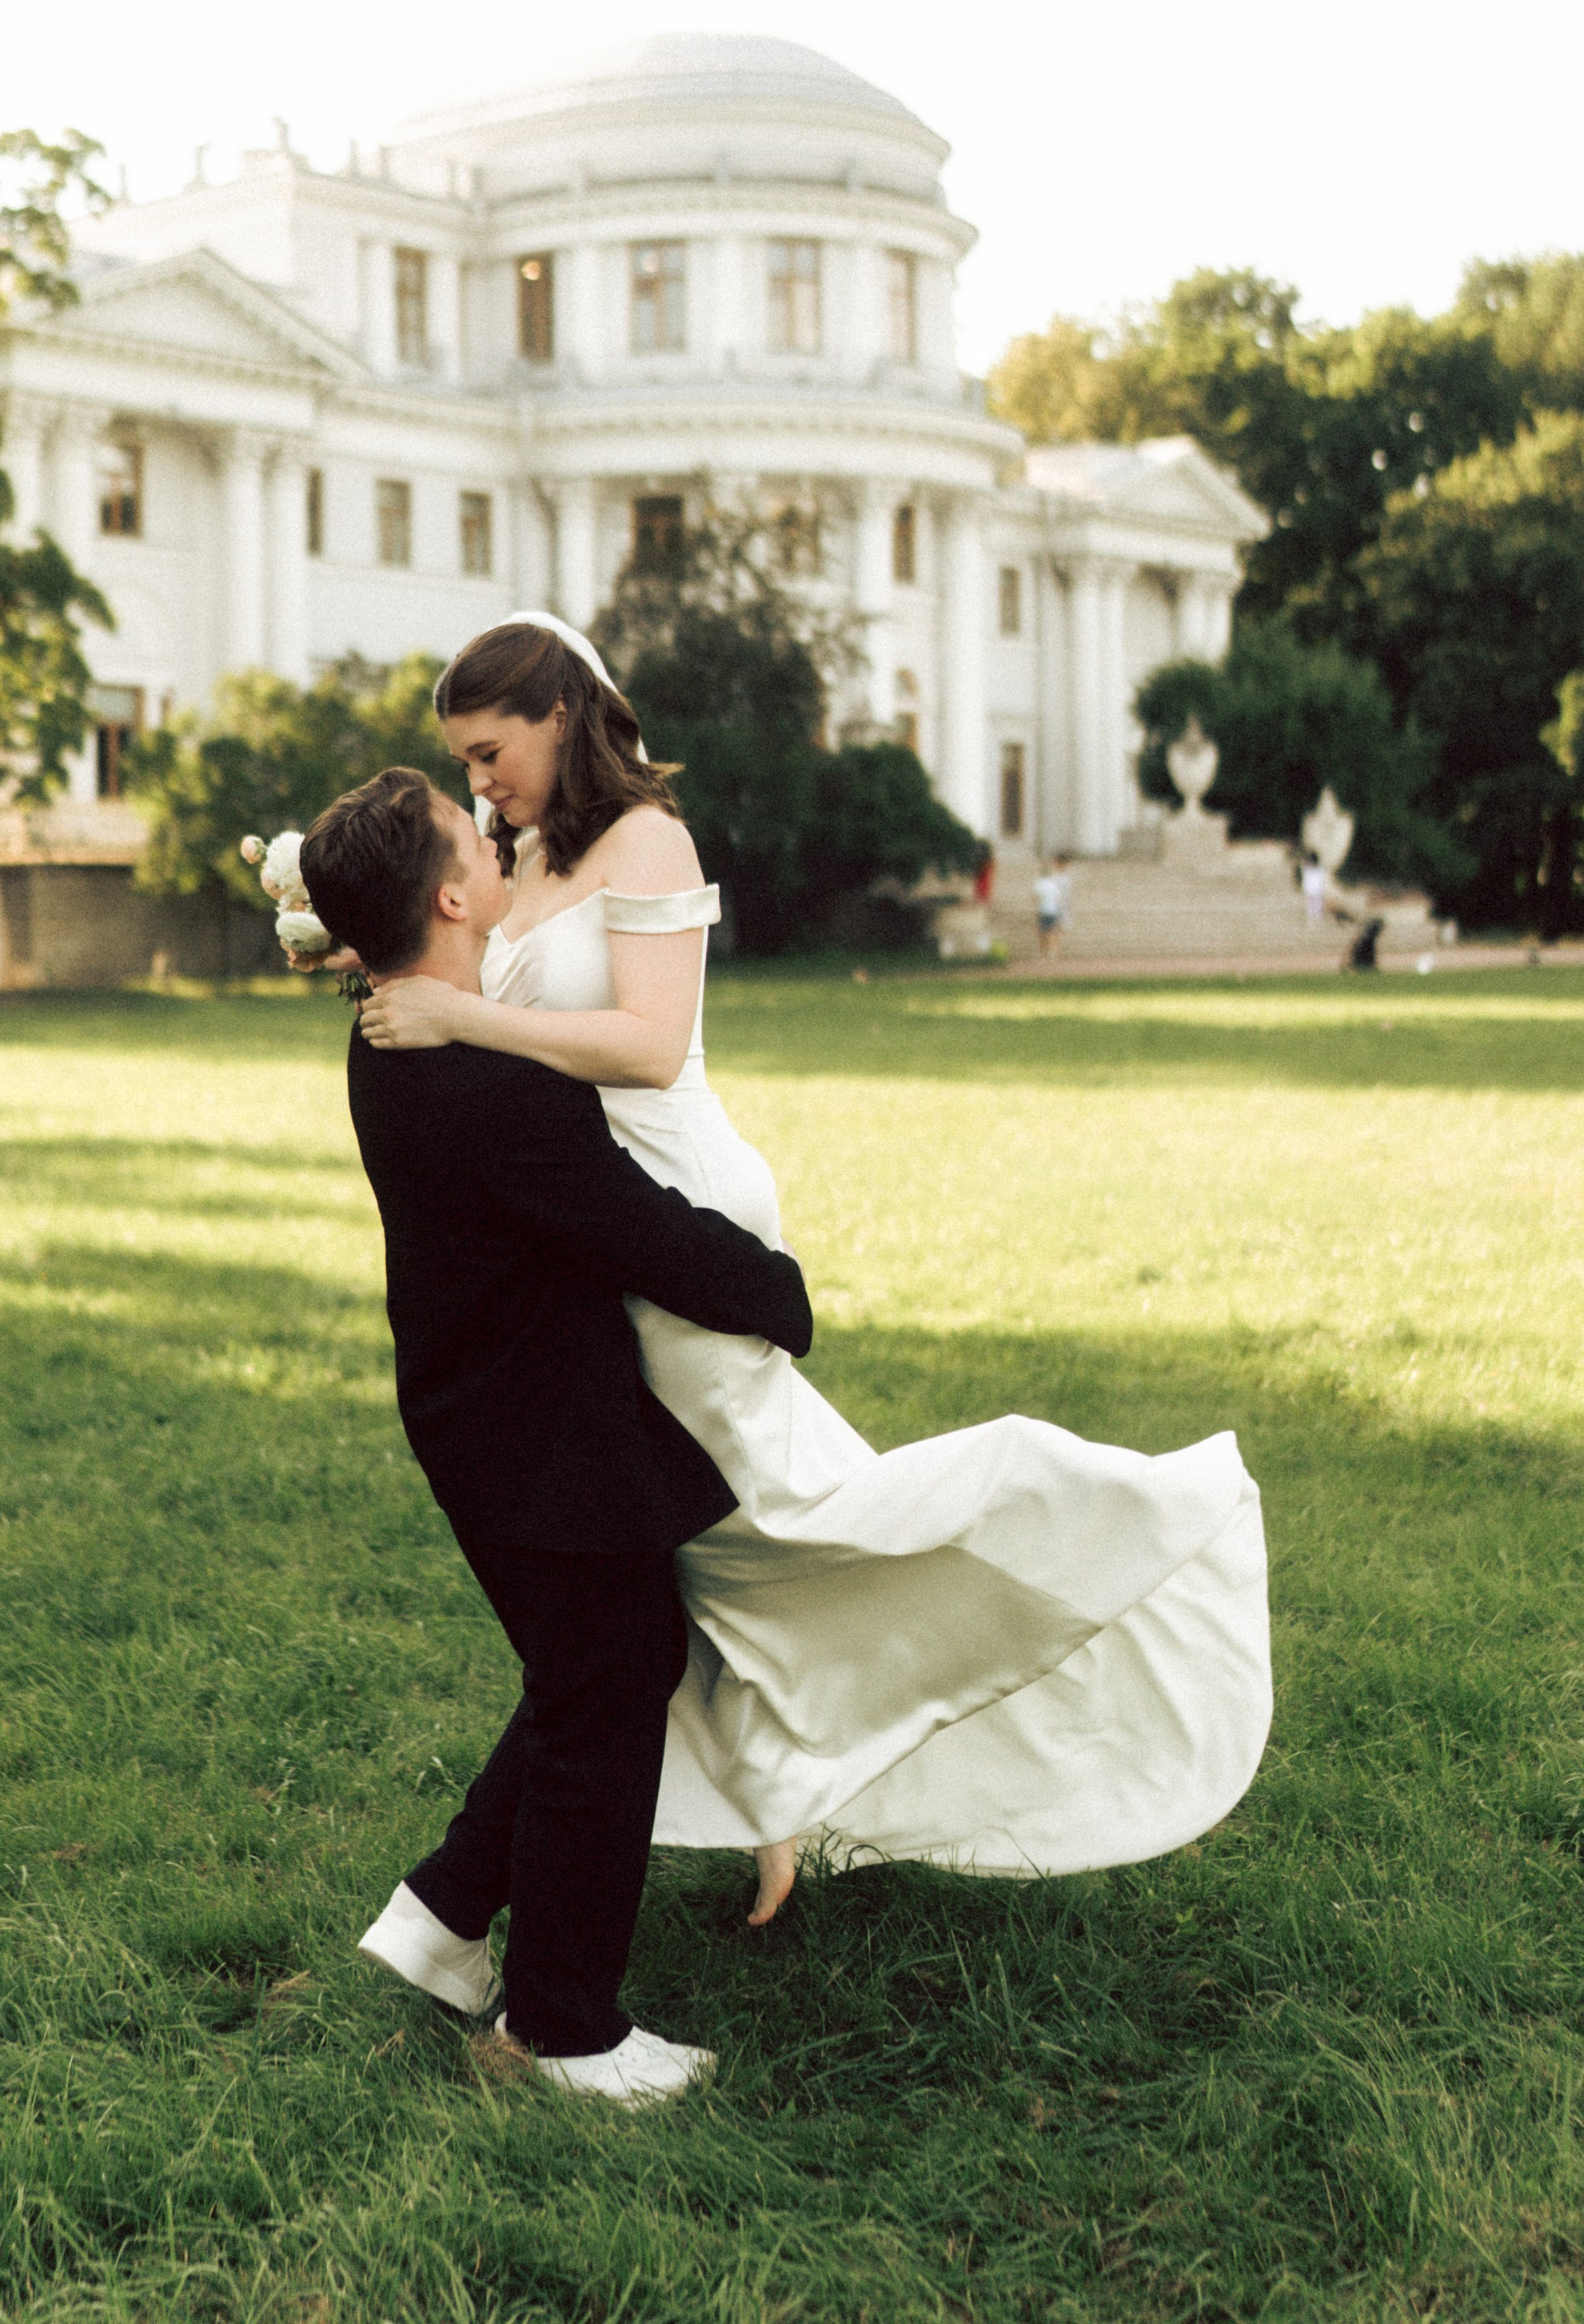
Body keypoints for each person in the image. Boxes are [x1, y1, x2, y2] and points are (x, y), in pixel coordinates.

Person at [357, 614, 1274, 1915]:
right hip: (595, 1227)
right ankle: (760, 1797)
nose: (478, 785)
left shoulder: (647, 839)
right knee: (674, 1552)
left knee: (774, 1525)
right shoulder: (527, 847)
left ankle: (1072, 1514)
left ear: (562, 717)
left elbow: (651, 1045)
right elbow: (471, 958)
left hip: (678, 1207)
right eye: (461, 763)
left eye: (491, 751)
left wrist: (462, 1014)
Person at [300, 765, 814, 2106]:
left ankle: (445, 1916)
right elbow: (627, 1225)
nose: (499, 831)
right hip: (538, 1438)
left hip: (495, 1414)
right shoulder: (482, 1078)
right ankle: (562, 2028)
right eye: (474, 833)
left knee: (607, 1658)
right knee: (604, 1689)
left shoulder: (392, 1031)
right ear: (457, 896)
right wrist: (776, 1291)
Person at [1033, 857, 1068, 956]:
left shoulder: (1039, 883)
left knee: (1042, 933)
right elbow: (1059, 897)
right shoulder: (1053, 883)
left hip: (1043, 910)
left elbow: (1035, 898)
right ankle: (1053, 953)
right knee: (1052, 933)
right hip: (1053, 911)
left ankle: (1042, 953)